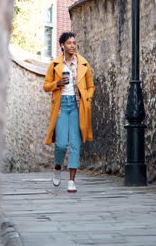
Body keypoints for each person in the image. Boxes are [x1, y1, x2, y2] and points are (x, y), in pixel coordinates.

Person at [43, 32, 95, 192]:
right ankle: (58, 166)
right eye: (69, 43)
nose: (73, 45)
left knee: (75, 144)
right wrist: (56, 83)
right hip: (61, 108)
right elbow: (46, 86)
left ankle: (72, 181)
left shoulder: (84, 64)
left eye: (74, 43)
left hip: (77, 107)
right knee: (60, 144)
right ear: (62, 46)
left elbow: (91, 86)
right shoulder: (54, 65)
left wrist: (88, 98)